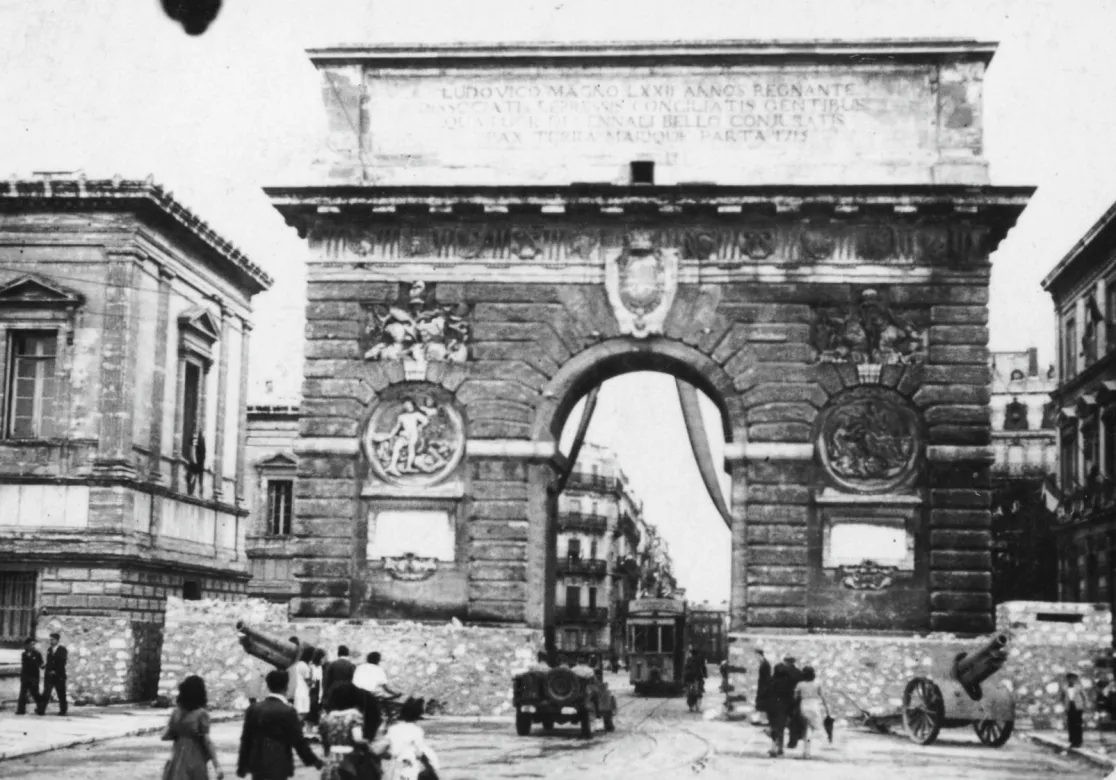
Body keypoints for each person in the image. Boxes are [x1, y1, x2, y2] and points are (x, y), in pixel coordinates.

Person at [237, 669, 323, 780]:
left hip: (258, 763)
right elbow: (298, 741)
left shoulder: (253, 709)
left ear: (268, 685)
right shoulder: (288, 711)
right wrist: (313, 760)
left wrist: (242, 766)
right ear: (286, 687)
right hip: (279, 763)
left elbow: (246, 739)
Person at [163, 675, 225, 780]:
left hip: (177, 757)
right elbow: (206, 741)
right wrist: (216, 765)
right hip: (195, 757)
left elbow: (166, 735)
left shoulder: (176, 712)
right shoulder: (201, 714)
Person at [318, 682, 377, 780]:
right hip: (349, 759)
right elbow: (357, 738)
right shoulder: (354, 716)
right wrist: (368, 742)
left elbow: (324, 738)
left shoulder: (326, 717)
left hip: (332, 757)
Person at [377, 697, 439, 780]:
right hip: (410, 762)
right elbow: (418, 751)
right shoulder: (416, 730)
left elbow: (387, 746)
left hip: (395, 762)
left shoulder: (393, 728)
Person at [793, 666, 831, 759]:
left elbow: (795, 697)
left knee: (806, 728)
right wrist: (827, 709)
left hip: (804, 704)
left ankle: (806, 752)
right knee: (816, 727)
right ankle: (818, 745)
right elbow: (823, 696)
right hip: (814, 704)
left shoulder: (800, 684)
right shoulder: (817, 683)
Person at [766, 663, 797, 758]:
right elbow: (791, 698)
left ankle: (773, 748)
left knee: (774, 728)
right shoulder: (789, 683)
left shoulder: (771, 681)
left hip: (772, 708)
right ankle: (780, 749)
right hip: (784, 708)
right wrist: (791, 710)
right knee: (781, 729)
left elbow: (766, 695)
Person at [36, 632, 67, 716]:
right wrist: (45, 666)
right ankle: (41, 710)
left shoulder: (62, 650)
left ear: (57, 640)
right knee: (46, 693)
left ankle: (63, 710)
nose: (50, 641)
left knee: (61, 693)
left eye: (52, 639)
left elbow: (62, 663)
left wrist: (56, 671)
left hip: (59, 676)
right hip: (49, 675)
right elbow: (50, 662)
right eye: (50, 639)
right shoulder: (49, 649)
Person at [322, 646, 356, 711]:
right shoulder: (352, 666)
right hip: (347, 693)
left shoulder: (332, 665)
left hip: (333, 692)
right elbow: (355, 682)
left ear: (338, 653)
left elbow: (326, 681)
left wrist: (324, 696)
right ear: (347, 654)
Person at [17, 637, 42, 715]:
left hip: (34, 677)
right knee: (22, 694)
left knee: (35, 693)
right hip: (25, 676)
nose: (32, 646)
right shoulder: (23, 654)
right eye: (31, 644)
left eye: (33, 644)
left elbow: (40, 664)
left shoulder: (37, 654)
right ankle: (21, 710)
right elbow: (24, 666)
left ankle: (41, 708)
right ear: (27, 645)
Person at [1062, 672, 1087, 749]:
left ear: (1075, 679)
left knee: (1078, 725)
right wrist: (1064, 705)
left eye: (1073, 678)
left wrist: (1084, 706)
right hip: (1069, 707)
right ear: (1067, 679)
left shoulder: (1079, 687)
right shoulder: (1064, 687)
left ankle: (1078, 741)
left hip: (1078, 707)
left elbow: (1084, 697)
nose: (1071, 680)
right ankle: (1072, 741)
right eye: (1069, 678)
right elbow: (1062, 697)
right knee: (1071, 725)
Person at [294, 647, 314, 729]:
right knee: (303, 710)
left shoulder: (298, 664)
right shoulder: (305, 666)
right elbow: (308, 681)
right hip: (303, 690)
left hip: (297, 689)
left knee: (299, 709)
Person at [308, 649, 328, 728]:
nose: (324, 660)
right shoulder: (311, 667)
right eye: (323, 657)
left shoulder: (322, 668)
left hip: (319, 696)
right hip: (312, 694)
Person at [754, 649, 772, 718]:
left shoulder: (765, 664)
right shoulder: (763, 663)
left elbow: (767, 677)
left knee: (762, 702)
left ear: (759, 654)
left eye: (756, 655)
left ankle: (763, 719)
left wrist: (764, 688)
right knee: (761, 702)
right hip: (762, 685)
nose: (755, 657)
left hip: (764, 686)